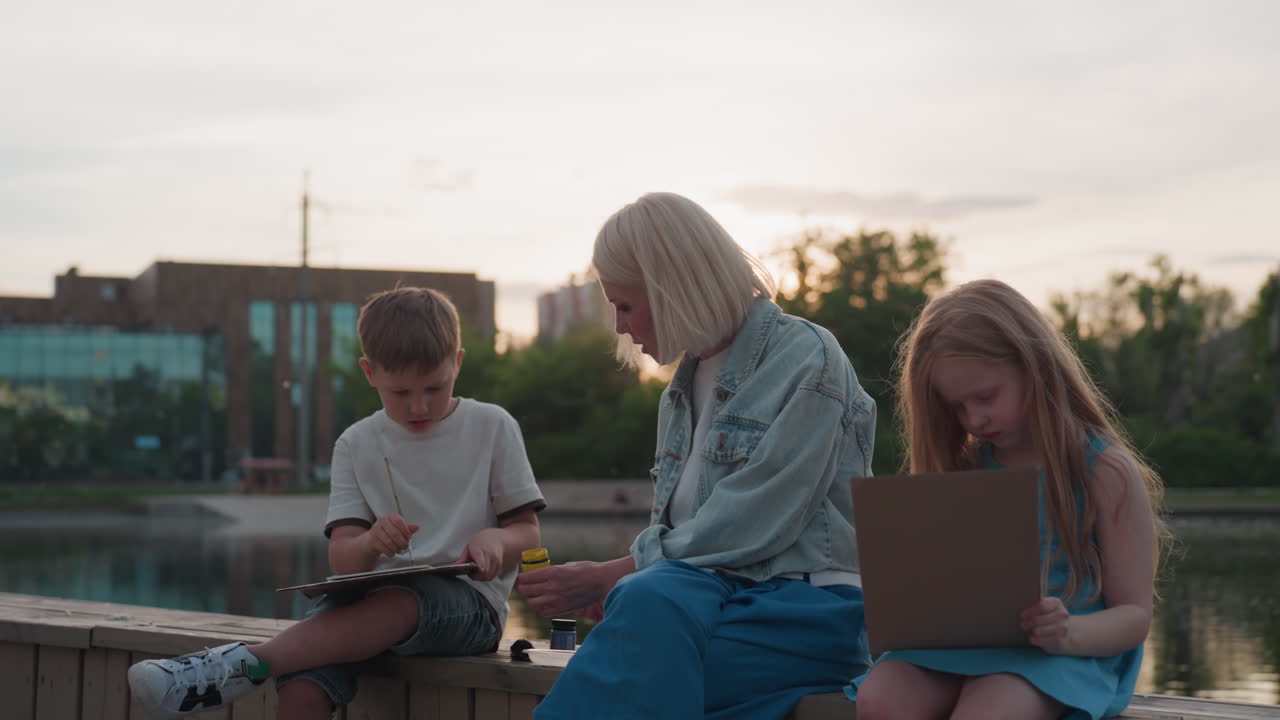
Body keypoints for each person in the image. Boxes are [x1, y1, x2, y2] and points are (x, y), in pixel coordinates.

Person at [517, 192, 876, 719]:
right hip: (708, 611)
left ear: (672, 287)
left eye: (624, 305)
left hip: (803, 610)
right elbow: (685, 544)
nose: (619, 326)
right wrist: (631, 585)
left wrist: (613, 576)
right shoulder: (679, 393)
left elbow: (754, 523)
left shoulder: (807, 357)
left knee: (637, 647)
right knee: (645, 627)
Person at [128, 287, 545, 720]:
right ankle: (236, 668)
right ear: (369, 372)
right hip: (365, 602)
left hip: (473, 605)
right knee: (305, 672)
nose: (419, 405)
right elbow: (343, 558)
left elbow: (528, 532)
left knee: (395, 602)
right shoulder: (355, 443)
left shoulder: (493, 426)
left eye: (434, 388)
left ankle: (241, 665)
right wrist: (370, 543)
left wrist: (495, 540)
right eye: (400, 392)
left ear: (457, 362)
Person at [850, 279, 1168, 720]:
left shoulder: (1103, 470)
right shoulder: (965, 469)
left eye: (985, 397)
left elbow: (1134, 615)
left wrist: (1066, 632)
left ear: (1034, 366)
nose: (973, 418)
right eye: (956, 407)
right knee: (880, 697)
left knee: (990, 710)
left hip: (1068, 650)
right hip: (962, 648)